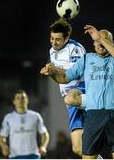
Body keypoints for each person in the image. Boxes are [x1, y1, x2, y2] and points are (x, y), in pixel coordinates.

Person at [40, 24, 114, 159]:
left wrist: (100, 37)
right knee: (84, 154)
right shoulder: (87, 59)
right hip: (94, 116)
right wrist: (52, 73)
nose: (100, 44)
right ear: (93, 44)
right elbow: (65, 77)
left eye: (104, 41)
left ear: (111, 44)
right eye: (97, 41)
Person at [40, 18, 86, 157]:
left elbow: (77, 72)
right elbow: (60, 79)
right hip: (69, 101)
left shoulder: (75, 48)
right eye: (51, 38)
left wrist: (55, 70)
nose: (54, 42)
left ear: (67, 38)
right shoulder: (52, 51)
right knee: (78, 148)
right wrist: (52, 72)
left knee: (91, 141)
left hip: (81, 92)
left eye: (58, 39)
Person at [0, 89, 49, 159]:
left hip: (33, 155)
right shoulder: (8, 118)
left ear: (27, 100)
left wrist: (43, 146)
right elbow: (2, 137)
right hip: (15, 156)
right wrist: (4, 147)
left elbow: (45, 134)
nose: (20, 100)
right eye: (18, 98)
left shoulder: (35, 116)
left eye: (23, 98)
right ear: (14, 102)